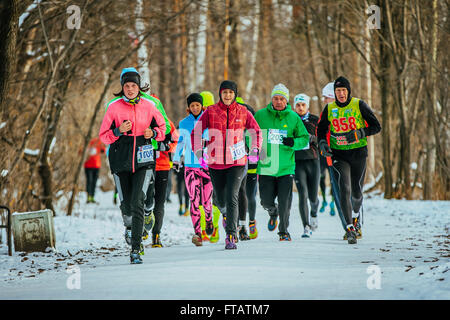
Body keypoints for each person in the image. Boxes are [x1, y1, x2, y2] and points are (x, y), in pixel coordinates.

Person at [99, 67, 166, 264]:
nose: (130, 89)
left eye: (133, 85)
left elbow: (163, 129)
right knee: (127, 206)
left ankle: (136, 248)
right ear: (122, 87)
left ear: (139, 87)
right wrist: (118, 131)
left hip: (144, 159)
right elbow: (103, 136)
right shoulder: (114, 108)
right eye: (126, 86)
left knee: (138, 201)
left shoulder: (149, 106)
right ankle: (129, 226)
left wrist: (152, 134)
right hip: (121, 160)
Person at [191, 81, 262, 249]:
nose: (228, 95)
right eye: (225, 92)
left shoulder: (243, 111)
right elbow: (197, 132)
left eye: (231, 92)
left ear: (235, 94)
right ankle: (225, 214)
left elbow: (256, 131)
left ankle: (231, 235)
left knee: (232, 196)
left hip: (237, 162)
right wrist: (200, 152)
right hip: (215, 163)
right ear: (220, 94)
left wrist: (255, 149)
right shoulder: (211, 111)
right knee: (220, 199)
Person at [317, 76, 381, 244]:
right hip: (339, 155)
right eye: (338, 91)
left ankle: (355, 218)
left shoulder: (359, 105)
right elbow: (321, 129)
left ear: (348, 91)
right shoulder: (329, 108)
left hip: (358, 153)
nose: (341, 94)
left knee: (356, 191)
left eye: (344, 90)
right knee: (344, 189)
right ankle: (349, 228)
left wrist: (359, 133)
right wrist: (323, 143)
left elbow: (376, 126)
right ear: (335, 93)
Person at [254, 84, 309, 241]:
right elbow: (250, 134)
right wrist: (256, 153)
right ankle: (273, 212)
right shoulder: (260, 115)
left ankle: (283, 231)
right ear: (271, 99)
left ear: (287, 100)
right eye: (276, 98)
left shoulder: (293, 117)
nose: (278, 102)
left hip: (286, 167)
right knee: (265, 200)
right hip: (266, 166)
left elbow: (304, 138)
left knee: (285, 202)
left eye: (282, 99)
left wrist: (293, 142)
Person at [173, 93, 213, 246]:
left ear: (202, 106)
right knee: (194, 201)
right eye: (192, 105)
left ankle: (208, 220)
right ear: (188, 108)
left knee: (206, 200)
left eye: (197, 105)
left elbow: (212, 140)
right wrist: (176, 159)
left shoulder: (209, 120)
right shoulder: (184, 123)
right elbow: (181, 143)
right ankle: (197, 233)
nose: (195, 107)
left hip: (207, 166)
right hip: (190, 166)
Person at [144, 117, 178, 248]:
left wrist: (166, 146)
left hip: (162, 166)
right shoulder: (140, 119)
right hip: (144, 167)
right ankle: (143, 229)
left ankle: (156, 235)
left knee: (159, 201)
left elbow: (176, 141)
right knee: (145, 199)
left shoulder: (167, 122)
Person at [292, 94, 320, 238]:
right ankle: (306, 226)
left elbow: (322, 137)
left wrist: (312, 139)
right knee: (302, 194)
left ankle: (314, 212)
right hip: (297, 162)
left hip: (313, 161)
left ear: (307, 106)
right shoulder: (291, 119)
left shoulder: (315, 120)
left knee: (313, 197)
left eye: (303, 105)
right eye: (298, 105)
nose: (300, 108)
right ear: (294, 106)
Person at [235, 96, 258, 241]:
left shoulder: (249, 115)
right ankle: (237, 224)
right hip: (236, 162)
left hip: (251, 163)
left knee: (249, 193)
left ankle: (249, 222)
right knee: (237, 192)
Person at [319, 82, 336, 216]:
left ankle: (333, 202)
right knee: (321, 176)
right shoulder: (323, 113)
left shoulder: (337, 113)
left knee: (333, 179)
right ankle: (324, 199)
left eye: (326, 97)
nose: (324, 100)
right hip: (322, 153)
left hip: (335, 153)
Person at [84, 137, 105, 204]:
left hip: (97, 166)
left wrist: (101, 149)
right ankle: (88, 197)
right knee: (89, 181)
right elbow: (81, 151)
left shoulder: (98, 141)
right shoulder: (86, 141)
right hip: (88, 166)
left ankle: (92, 197)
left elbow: (103, 151)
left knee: (94, 182)